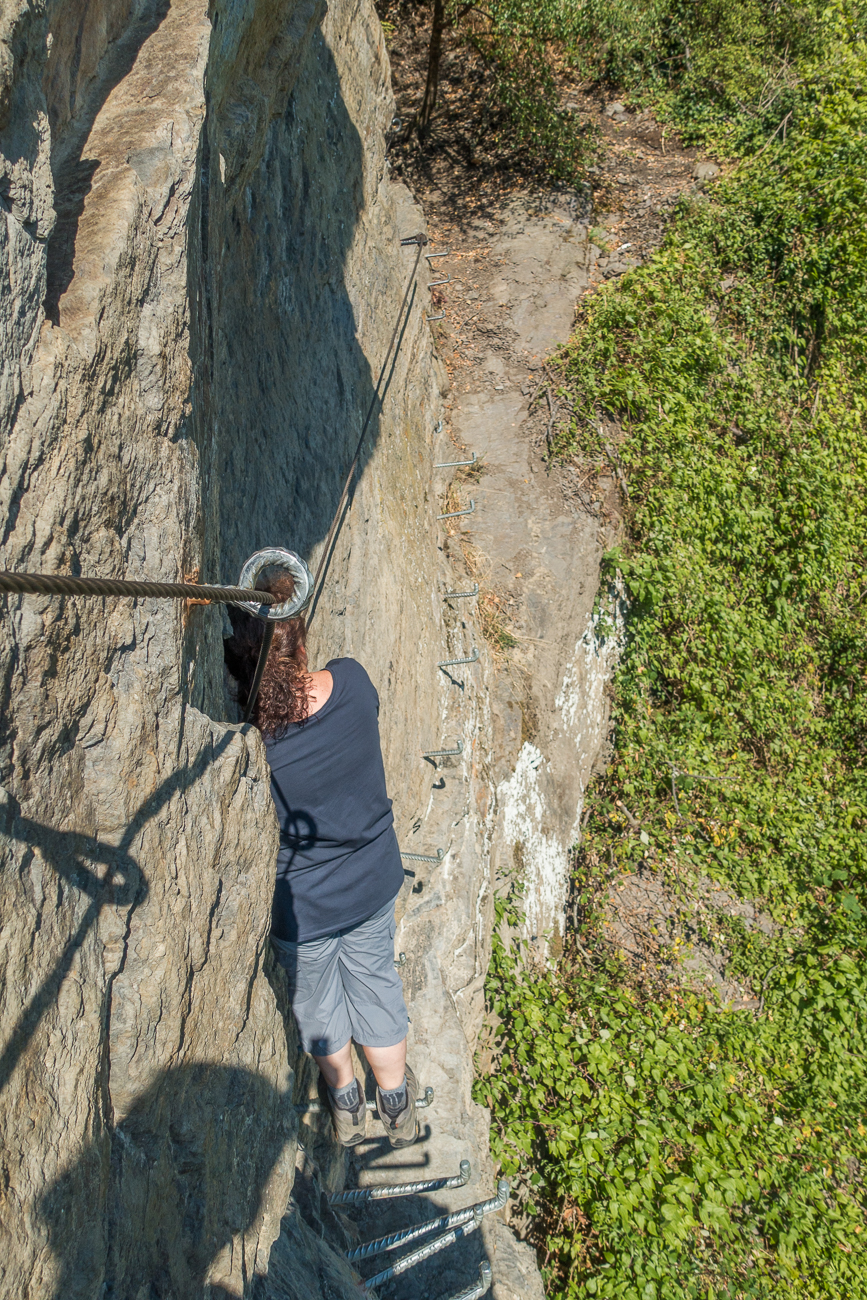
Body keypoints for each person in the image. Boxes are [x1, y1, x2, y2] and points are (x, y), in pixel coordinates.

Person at [224, 575, 417, 1148]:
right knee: (376, 984)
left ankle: (347, 1104)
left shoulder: (258, 740)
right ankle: (397, 1107)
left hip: (303, 906)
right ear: (300, 642)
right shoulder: (353, 683)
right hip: (371, 881)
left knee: (317, 1002)